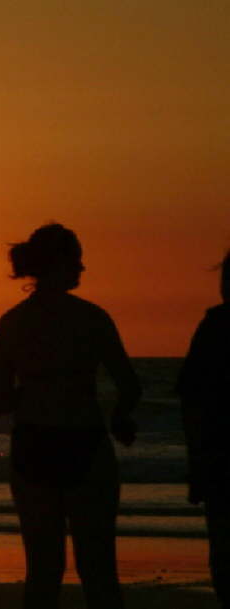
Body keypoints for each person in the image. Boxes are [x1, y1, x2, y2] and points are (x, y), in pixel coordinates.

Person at [0, 223, 140, 609]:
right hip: (85, 444)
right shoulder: (92, 318)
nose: (82, 269)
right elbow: (130, 384)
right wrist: (120, 416)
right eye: (77, 260)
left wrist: (37, 389)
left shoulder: (11, 322)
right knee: (99, 567)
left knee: (42, 569)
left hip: (32, 447)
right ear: (60, 263)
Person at [177, 249, 230, 609]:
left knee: (225, 556)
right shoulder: (213, 326)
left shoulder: (214, 327)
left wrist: (196, 465)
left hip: (220, 462)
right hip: (219, 462)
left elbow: (191, 403)